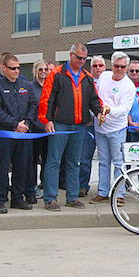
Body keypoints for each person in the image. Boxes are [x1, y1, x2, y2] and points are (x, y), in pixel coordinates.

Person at [38, 43, 105, 212]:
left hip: (79, 126)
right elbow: (47, 99)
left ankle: (72, 197)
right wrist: (47, 120)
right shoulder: (57, 74)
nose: (82, 61)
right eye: (79, 57)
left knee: (74, 162)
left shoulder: (87, 77)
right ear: (71, 55)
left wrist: (98, 112)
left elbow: (94, 99)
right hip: (59, 123)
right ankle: (50, 198)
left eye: (84, 58)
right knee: (54, 161)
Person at [0, 54, 37, 214]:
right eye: (13, 68)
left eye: (18, 68)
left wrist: (26, 123)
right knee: (2, 167)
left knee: (22, 166)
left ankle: (17, 198)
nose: (16, 71)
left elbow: (33, 105)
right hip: (4, 133)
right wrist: (14, 124)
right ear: (4, 68)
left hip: (23, 133)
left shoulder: (25, 84)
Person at [89, 52, 136, 205]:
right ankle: (102, 192)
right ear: (112, 65)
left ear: (127, 67)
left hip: (117, 128)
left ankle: (119, 193)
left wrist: (109, 110)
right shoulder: (104, 76)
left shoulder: (129, 86)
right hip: (100, 127)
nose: (119, 69)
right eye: (117, 66)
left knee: (118, 161)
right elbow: (95, 96)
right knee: (103, 161)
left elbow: (124, 109)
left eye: (123, 67)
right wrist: (97, 111)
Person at [78, 55, 106, 198]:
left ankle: (105, 189)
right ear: (91, 68)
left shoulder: (109, 81)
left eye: (100, 65)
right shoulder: (86, 81)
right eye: (95, 66)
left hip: (105, 126)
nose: (98, 68)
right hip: (88, 125)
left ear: (105, 67)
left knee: (105, 159)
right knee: (84, 157)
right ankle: (82, 186)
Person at [28, 59, 49, 200]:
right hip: (34, 130)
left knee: (47, 160)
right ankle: (32, 186)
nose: (43, 72)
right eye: (40, 69)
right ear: (35, 71)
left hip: (48, 129)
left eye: (45, 69)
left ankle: (45, 184)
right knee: (33, 160)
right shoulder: (30, 87)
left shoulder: (51, 86)